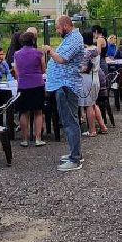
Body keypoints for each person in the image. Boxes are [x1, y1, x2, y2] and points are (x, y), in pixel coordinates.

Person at [44, 14, 86, 171]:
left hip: (67, 86)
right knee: (69, 121)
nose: (56, 31)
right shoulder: (70, 38)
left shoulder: (75, 39)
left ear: (66, 26)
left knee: (70, 122)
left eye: (57, 28)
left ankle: (75, 160)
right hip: (63, 85)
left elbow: (62, 59)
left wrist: (50, 50)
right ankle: (75, 153)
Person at [13, 32, 46, 147]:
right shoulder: (39, 53)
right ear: (33, 41)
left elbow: (16, 71)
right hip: (37, 84)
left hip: (23, 85)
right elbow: (43, 69)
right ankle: (38, 138)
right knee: (38, 112)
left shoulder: (16, 54)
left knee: (23, 112)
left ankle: (24, 139)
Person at [78, 29, 107, 136]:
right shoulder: (95, 49)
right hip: (95, 79)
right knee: (93, 103)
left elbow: (83, 68)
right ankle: (102, 126)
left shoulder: (86, 52)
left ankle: (92, 130)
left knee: (88, 106)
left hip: (87, 80)